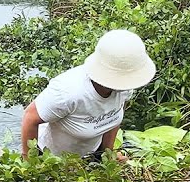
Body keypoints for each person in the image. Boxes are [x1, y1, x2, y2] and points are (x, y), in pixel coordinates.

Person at [20, 29, 156, 160]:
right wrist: (32, 165)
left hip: (88, 155)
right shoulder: (69, 92)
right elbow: (30, 118)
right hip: (52, 159)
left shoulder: (124, 88)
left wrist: (107, 155)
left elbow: (112, 116)